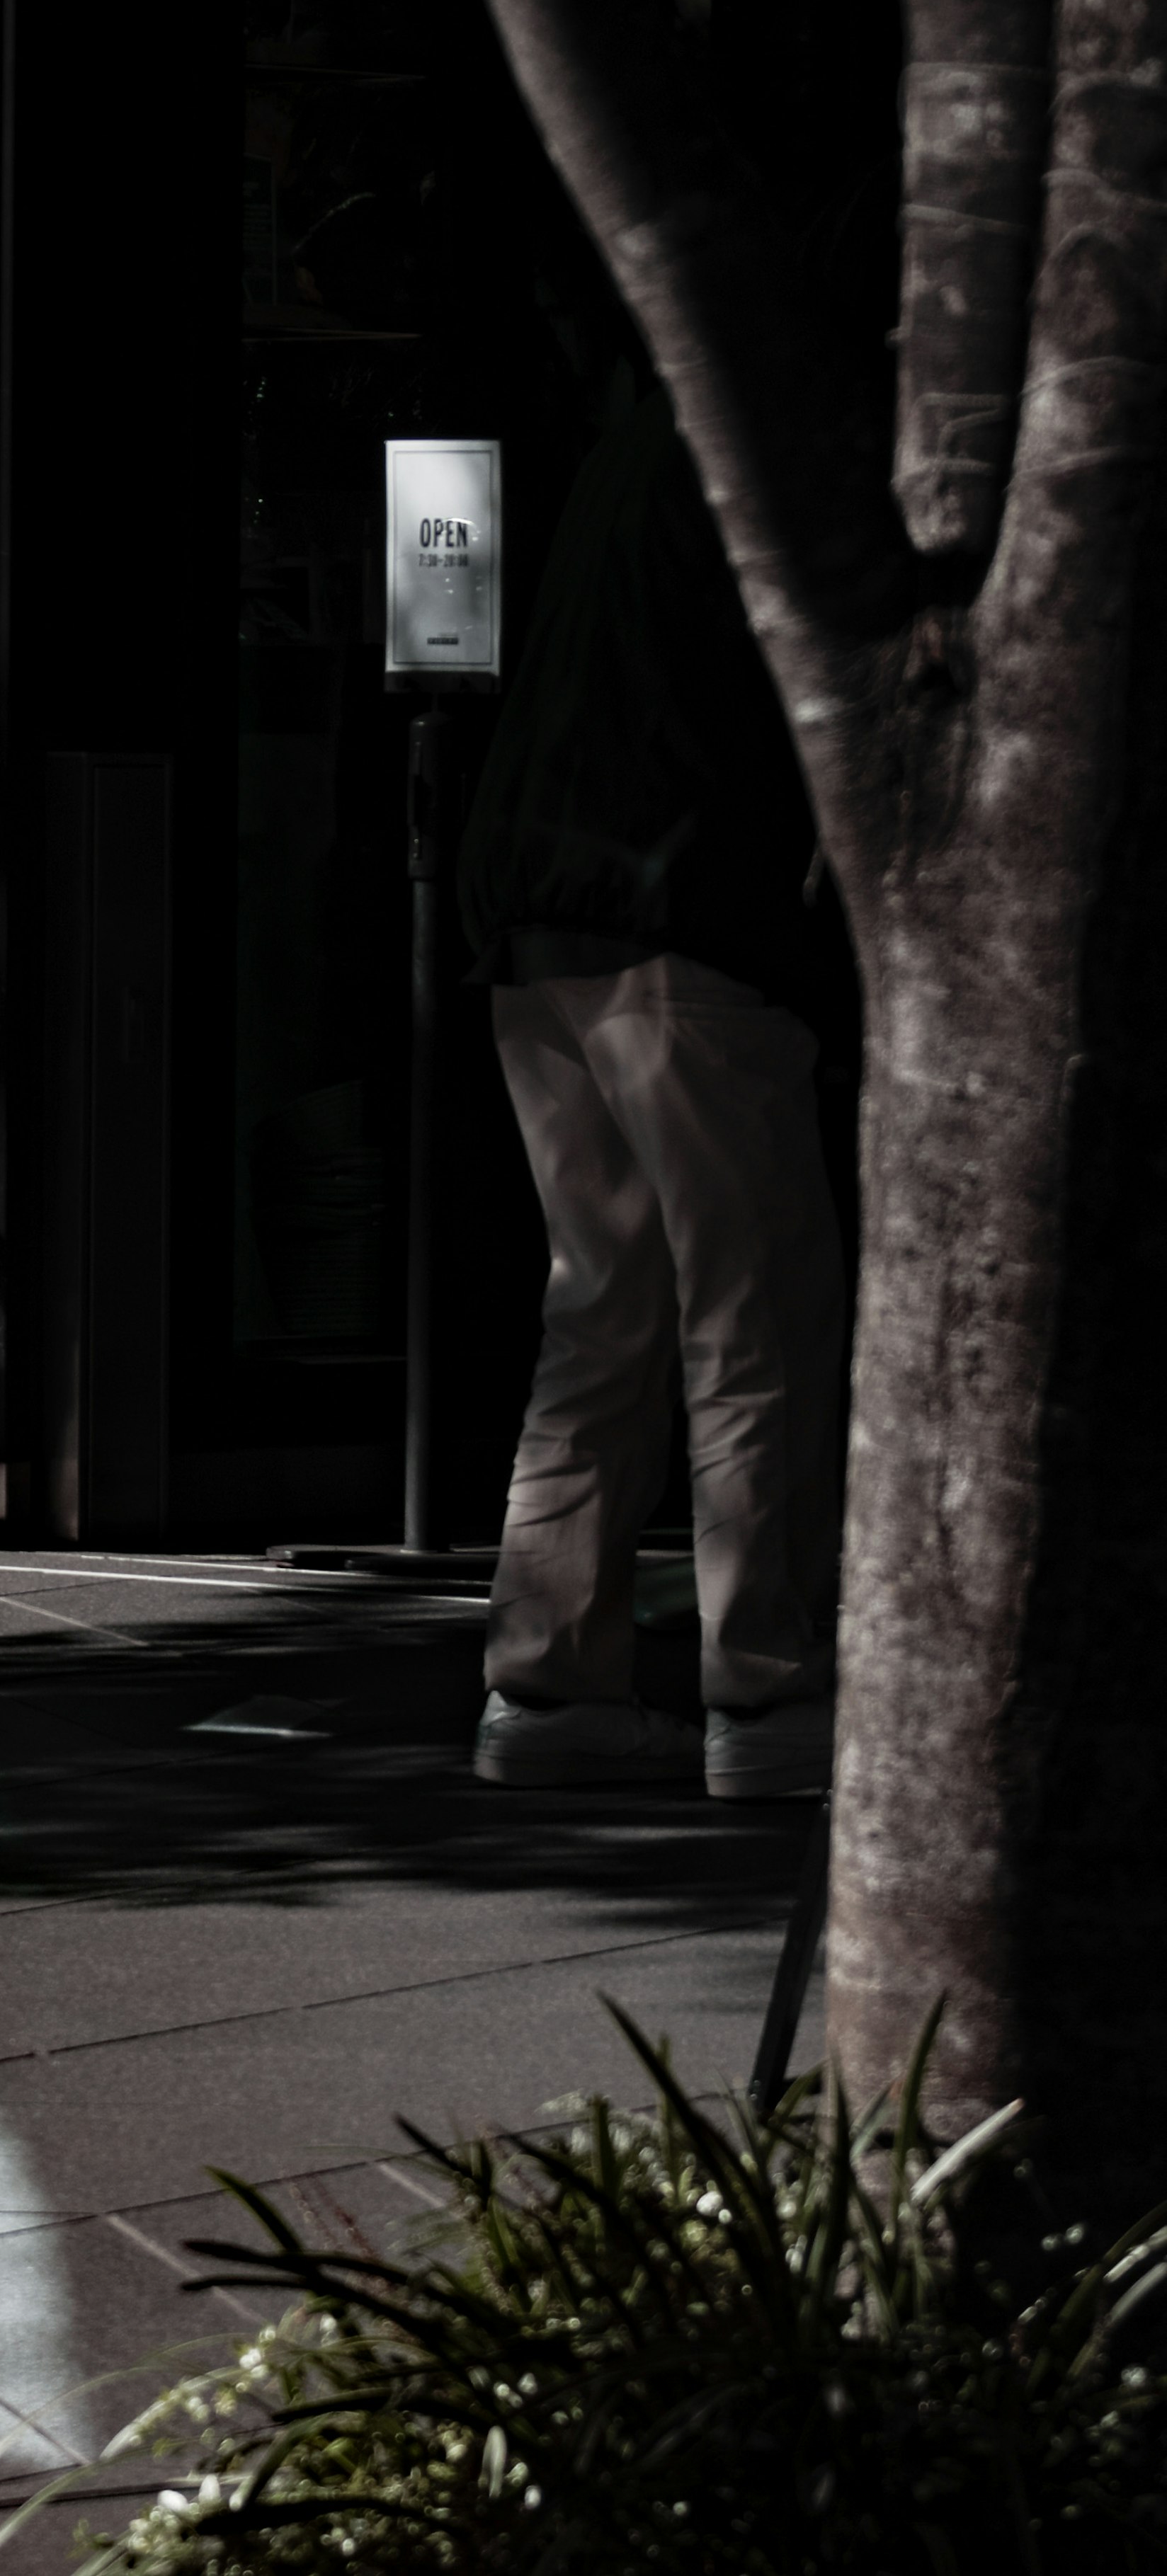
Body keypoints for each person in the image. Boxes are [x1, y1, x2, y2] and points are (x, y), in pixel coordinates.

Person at [457, 368, 849, 1798]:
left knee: (604, 1310)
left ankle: (549, 1681)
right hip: (685, 906)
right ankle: (769, 1684)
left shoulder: (642, 434)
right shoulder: (783, 438)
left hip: (540, 907)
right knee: (756, 1313)